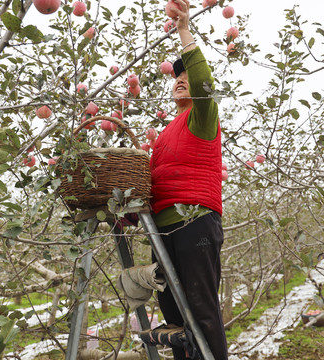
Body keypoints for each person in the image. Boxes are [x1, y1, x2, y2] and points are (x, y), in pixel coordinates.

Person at [143, 0, 228, 358]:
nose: (180, 81)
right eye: (176, 78)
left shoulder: (202, 118)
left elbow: (204, 83)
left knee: (202, 312)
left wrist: (183, 30)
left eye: (186, 76)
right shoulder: (165, 133)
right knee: (175, 318)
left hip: (194, 222)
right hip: (162, 229)